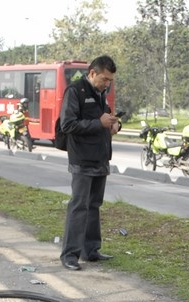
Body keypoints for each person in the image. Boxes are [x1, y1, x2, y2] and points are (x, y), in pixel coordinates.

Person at [58, 55, 121, 271]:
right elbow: (68, 125)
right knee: (79, 206)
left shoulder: (101, 94)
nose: (107, 84)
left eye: (110, 80)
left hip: (100, 157)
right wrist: (98, 123)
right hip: (82, 159)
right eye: (104, 79)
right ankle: (70, 255)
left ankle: (91, 251)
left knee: (94, 206)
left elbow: (105, 120)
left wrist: (113, 125)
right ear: (92, 73)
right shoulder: (75, 91)